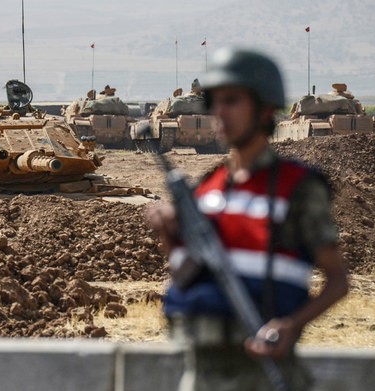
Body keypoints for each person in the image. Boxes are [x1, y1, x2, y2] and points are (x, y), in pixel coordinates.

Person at [146, 47, 349, 390]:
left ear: (265, 108)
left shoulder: (296, 187)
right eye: (215, 103)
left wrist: (290, 325)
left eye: (232, 101)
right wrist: (168, 232)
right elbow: (187, 270)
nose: (219, 113)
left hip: (262, 370)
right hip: (201, 368)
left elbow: (338, 280)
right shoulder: (208, 187)